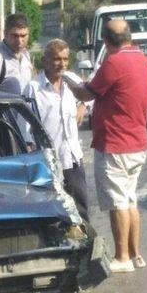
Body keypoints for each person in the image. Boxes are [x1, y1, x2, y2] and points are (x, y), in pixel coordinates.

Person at [65, 19, 147, 273]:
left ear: (106, 41)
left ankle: (122, 257)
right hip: (137, 140)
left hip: (116, 142)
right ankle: (136, 254)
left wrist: (70, 81)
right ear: (129, 36)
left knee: (117, 203)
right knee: (129, 199)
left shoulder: (114, 62)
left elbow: (86, 94)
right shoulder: (142, 60)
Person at [22, 39, 89, 221]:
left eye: (65, 59)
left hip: (73, 157)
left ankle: (86, 244)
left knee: (80, 207)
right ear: (45, 61)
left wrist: (83, 105)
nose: (62, 64)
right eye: (57, 59)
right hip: (48, 160)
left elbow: (91, 96)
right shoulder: (33, 88)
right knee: (52, 209)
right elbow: (26, 127)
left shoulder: (73, 81)